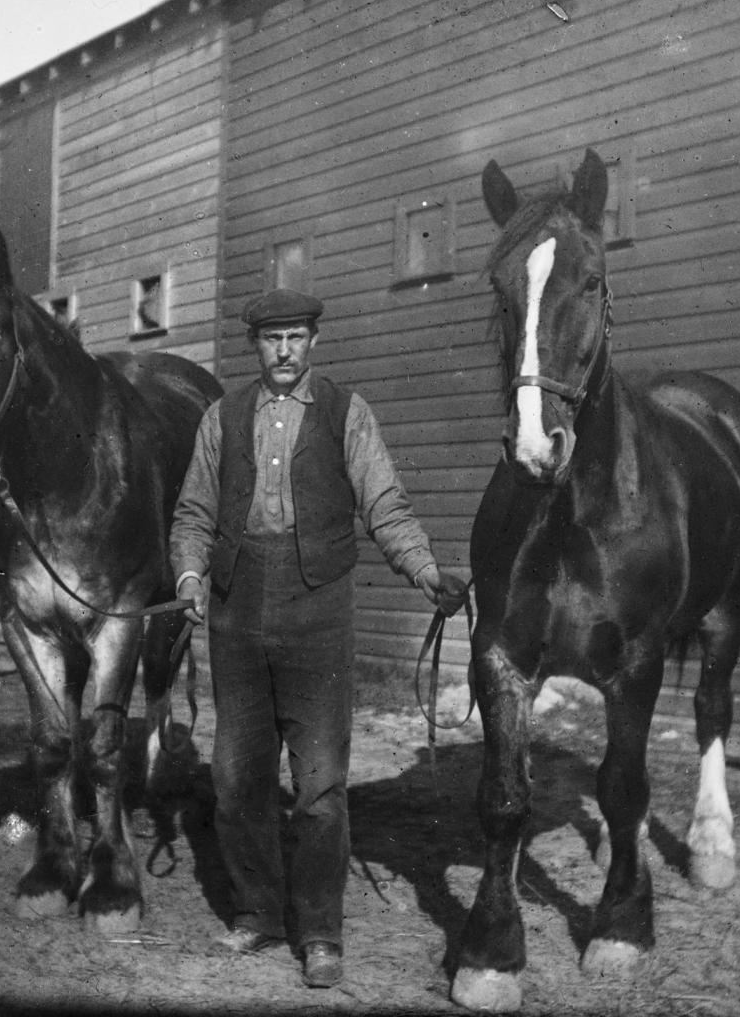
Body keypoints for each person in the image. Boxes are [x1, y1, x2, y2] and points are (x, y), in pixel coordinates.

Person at [170, 288, 464, 989]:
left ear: (314, 342)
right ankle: (258, 913)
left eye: (296, 337)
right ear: (255, 345)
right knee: (237, 777)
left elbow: (384, 504)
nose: (284, 351)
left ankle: (321, 933)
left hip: (318, 611)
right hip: (235, 612)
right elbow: (194, 512)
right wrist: (187, 575)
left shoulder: (346, 414)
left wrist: (424, 570)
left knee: (321, 784)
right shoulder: (222, 418)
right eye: (272, 339)